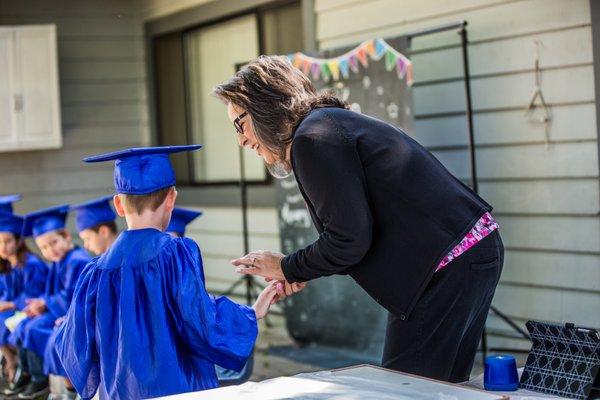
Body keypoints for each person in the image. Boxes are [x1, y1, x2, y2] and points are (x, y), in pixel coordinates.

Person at [213, 55, 504, 383]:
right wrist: (298, 268)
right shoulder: (325, 126)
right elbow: (352, 236)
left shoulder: (312, 138)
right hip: (466, 254)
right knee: (441, 388)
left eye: (240, 123)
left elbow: (348, 240)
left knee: (405, 389)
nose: (240, 140)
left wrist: (287, 267)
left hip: (446, 265)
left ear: (265, 106)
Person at [56, 145, 280, 400]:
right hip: (178, 390)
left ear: (118, 204)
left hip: (120, 392)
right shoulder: (175, 253)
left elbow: (74, 345)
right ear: (172, 198)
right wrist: (251, 313)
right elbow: (198, 320)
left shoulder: (94, 272)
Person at [5, 205, 90, 399]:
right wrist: (40, 302)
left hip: (70, 312)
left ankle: (44, 381)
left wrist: (44, 304)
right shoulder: (60, 261)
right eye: (43, 247)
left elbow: (72, 296)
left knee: (35, 329)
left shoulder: (77, 260)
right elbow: (51, 293)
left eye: (53, 242)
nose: (50, 250)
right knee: (24, 326)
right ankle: (32, 377)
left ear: (67, 237)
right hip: (58, 310)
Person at [44, 196, 119, 400]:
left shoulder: (113, 263)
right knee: (62, 335)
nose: (84, 245)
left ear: (103, 231)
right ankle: (72, 391)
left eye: (86, 238)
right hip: (101, 322)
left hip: (113, 329)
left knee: (66, 337)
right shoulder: (100, 262)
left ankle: (76, 391)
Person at [0, 196, 48, 386]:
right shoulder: (6, 265)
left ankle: (19, 367)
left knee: (6, 322)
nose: (3, 247)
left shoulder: (31, 264)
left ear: (18, 241)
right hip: (14, 309)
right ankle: (11, 360)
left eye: (7, 241)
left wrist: (9, 304)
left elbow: (33, 295)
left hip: (31, 309)